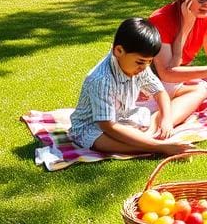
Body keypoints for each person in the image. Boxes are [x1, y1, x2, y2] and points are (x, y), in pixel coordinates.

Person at [68, 18, 195, 156]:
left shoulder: (141, 65)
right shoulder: (101, 79)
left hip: (124, 118)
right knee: (100, 142)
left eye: (149, 62)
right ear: (118, 51)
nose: (144, 67)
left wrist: (166, 119)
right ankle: (155, 147)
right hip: (93, 128)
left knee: (161, 114)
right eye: (140, 62)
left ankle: (147, 140)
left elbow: (159, 91)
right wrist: (160, 146)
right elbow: (108, 126)